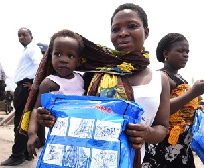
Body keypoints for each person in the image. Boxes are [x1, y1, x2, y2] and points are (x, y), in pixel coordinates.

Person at [29, 3, 170, 167]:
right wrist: (48, 117)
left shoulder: (160, 80)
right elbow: (72, 113)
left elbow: (162, 127)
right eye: (116, 29)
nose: (123, 33)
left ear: (146, 31)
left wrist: (148, 133)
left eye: (132, 26)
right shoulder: (91, 76)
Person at [142, 33, 204, 168]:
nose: (185, 55)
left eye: (187, 52)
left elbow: (183, 105)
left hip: (182, 147)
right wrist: (194, 92)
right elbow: (159, 110)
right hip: (164, 148)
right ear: (166, 53)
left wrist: (196, 108)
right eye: (180, 51)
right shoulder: (161, 77)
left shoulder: (180, 78)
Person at [27, 29, 85, 159]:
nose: (63, 60)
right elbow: (36, 108)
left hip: (81, 135)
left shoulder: (81, 80)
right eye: (58, 54)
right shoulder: (49, 83)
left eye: (70, 56)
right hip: (59, 137)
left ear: (79, 61)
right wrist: (32, 134)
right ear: (50, 56)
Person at [1, 27, 44, 166]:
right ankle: (26, 154)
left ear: (31, 36)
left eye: (24, 34)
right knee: (24, 121)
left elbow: (40, 65)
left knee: (20, 122)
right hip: (23, 87)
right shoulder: (27, 50)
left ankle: (17, 155)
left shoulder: (33, 49)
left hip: (26, 88)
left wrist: (35, 86)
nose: (21, 37)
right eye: (19, 35)